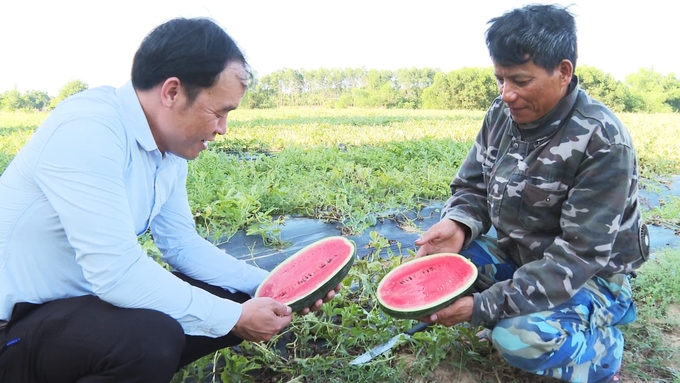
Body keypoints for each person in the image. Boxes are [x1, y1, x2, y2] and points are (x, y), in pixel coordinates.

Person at [0, 17, 338, 382]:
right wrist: (233, 318)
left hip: (79, 309)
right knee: (149, 340)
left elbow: (181, 246)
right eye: (219, 111)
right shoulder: (89, 130)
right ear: (172, 92)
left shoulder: (170, 151)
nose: (223, 128)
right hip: (16, 326)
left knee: (235, 294)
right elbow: (115, 272)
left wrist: (275, 287)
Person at [414, 4, 648, 383]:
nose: (507, 94)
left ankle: (605, 351)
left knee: (516, 338)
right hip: (522, 259)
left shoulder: (602, 139)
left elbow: (578, 255)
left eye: (520, 81)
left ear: (563, 72)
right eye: (500, 80)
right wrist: (459, 223)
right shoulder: (501, 115)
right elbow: (471, 185)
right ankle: (517, 305)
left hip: (592, 278)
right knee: (440, 259)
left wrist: (485, 307)